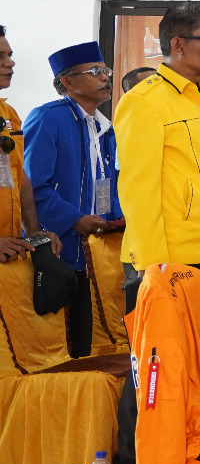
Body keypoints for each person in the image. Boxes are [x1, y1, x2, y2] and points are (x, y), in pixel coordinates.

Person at [111, 2, 200, 464]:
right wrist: (155, 265)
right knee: (152, 368)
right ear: (178, 45)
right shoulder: (147, 101)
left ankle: (182, 458)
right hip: (165, 262)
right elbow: (138, 188)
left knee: (192, 368)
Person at [22, 41, 123, 356]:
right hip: (59, 249)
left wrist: (115, 219)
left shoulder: (105, 128)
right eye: (95, 72)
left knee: (91, 341)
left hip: (96, 252)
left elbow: (111, 184)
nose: (105, 77)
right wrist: (75, 219)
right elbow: (33, 186)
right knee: (62, 345)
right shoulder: (48, 118)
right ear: (67, 82)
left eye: (105, 70)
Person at [0, 28, 62, 268]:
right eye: (1, 57)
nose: (11, 62)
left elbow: (21, 180)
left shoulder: (8, 114)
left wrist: (35, 235)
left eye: (10, 55)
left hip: (10, 251)